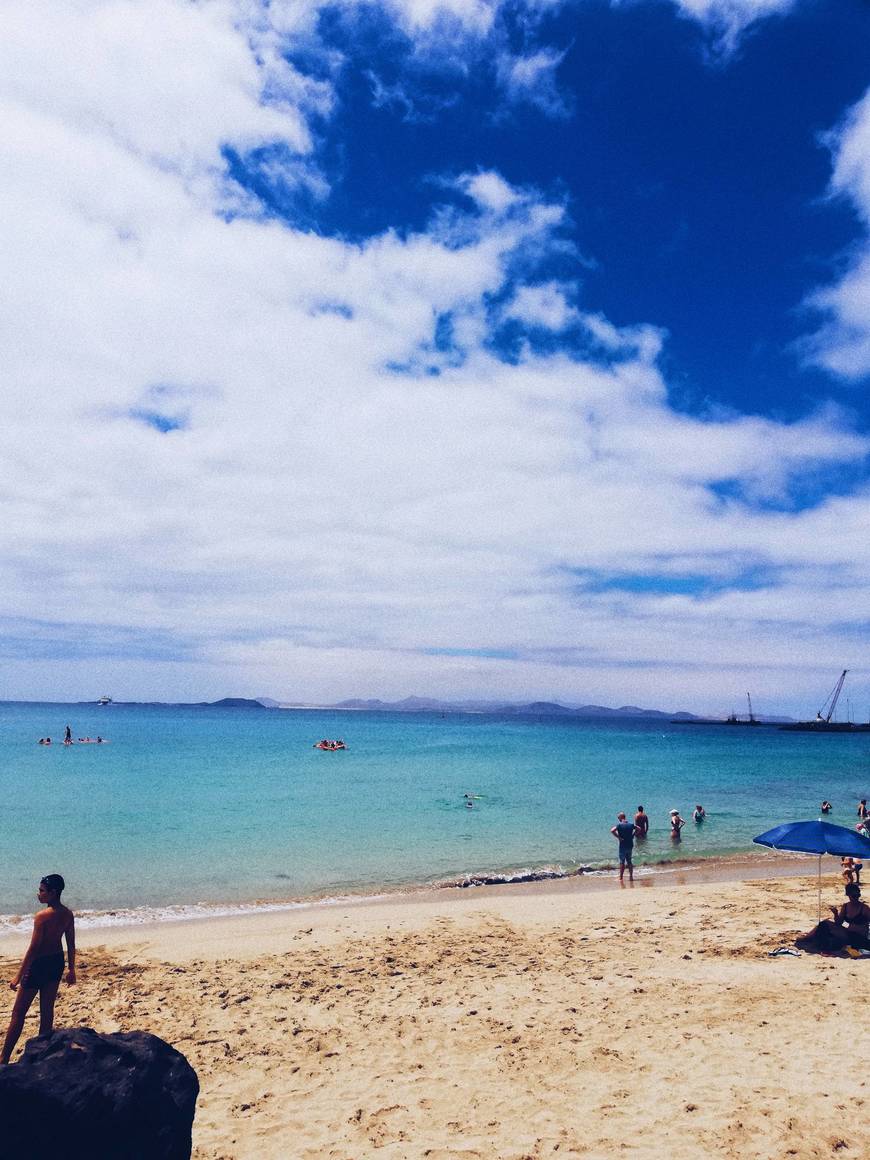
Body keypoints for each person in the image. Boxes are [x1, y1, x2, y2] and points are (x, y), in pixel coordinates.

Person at [1, 875, 76, 1065]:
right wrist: (71, 969)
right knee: (47, 1011)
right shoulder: (68, 914)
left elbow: (33, 948)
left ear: (53, 893)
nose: (39, 894)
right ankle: (42, 1056)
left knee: (18, 1013)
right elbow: (71, 944)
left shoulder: (42, 917)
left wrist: (18, 975)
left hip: (39, 964)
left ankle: (4, 1058)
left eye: (42, 890)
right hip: (56, 962)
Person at [797, 882, 870, 952]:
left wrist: (855, 927)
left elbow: (865, 926)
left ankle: (809, 939)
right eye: (854, 896)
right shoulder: (846, 906)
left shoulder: (864, 908)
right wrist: (836, 914)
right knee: (825, 923)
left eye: (858, 896)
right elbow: (839, 923)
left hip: (858, 936)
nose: (856, 898)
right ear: (848, 895)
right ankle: (810, 939)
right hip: (846, 933)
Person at [611, 812, 637, 884]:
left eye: (618, 818)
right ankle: (631, 877)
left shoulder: (619, 825)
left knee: (622, 862)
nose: (618, 819)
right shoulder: (631, 825)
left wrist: (618, 837)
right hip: (630, 845)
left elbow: (612, 830)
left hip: (623, 845)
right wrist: (633, 835)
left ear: (620, 818)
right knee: (629, 861)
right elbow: (639, 828)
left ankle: (621, 877)